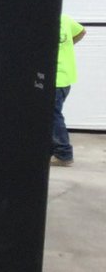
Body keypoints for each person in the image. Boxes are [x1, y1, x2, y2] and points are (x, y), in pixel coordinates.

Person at [52, 13, 86, 167]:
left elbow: (81, 32)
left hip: (58, 78)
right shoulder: (64, 18)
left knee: (53, 115)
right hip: (65, 78)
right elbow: (81, 31)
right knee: (49, 115)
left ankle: (64, 153)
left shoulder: (55, 20)